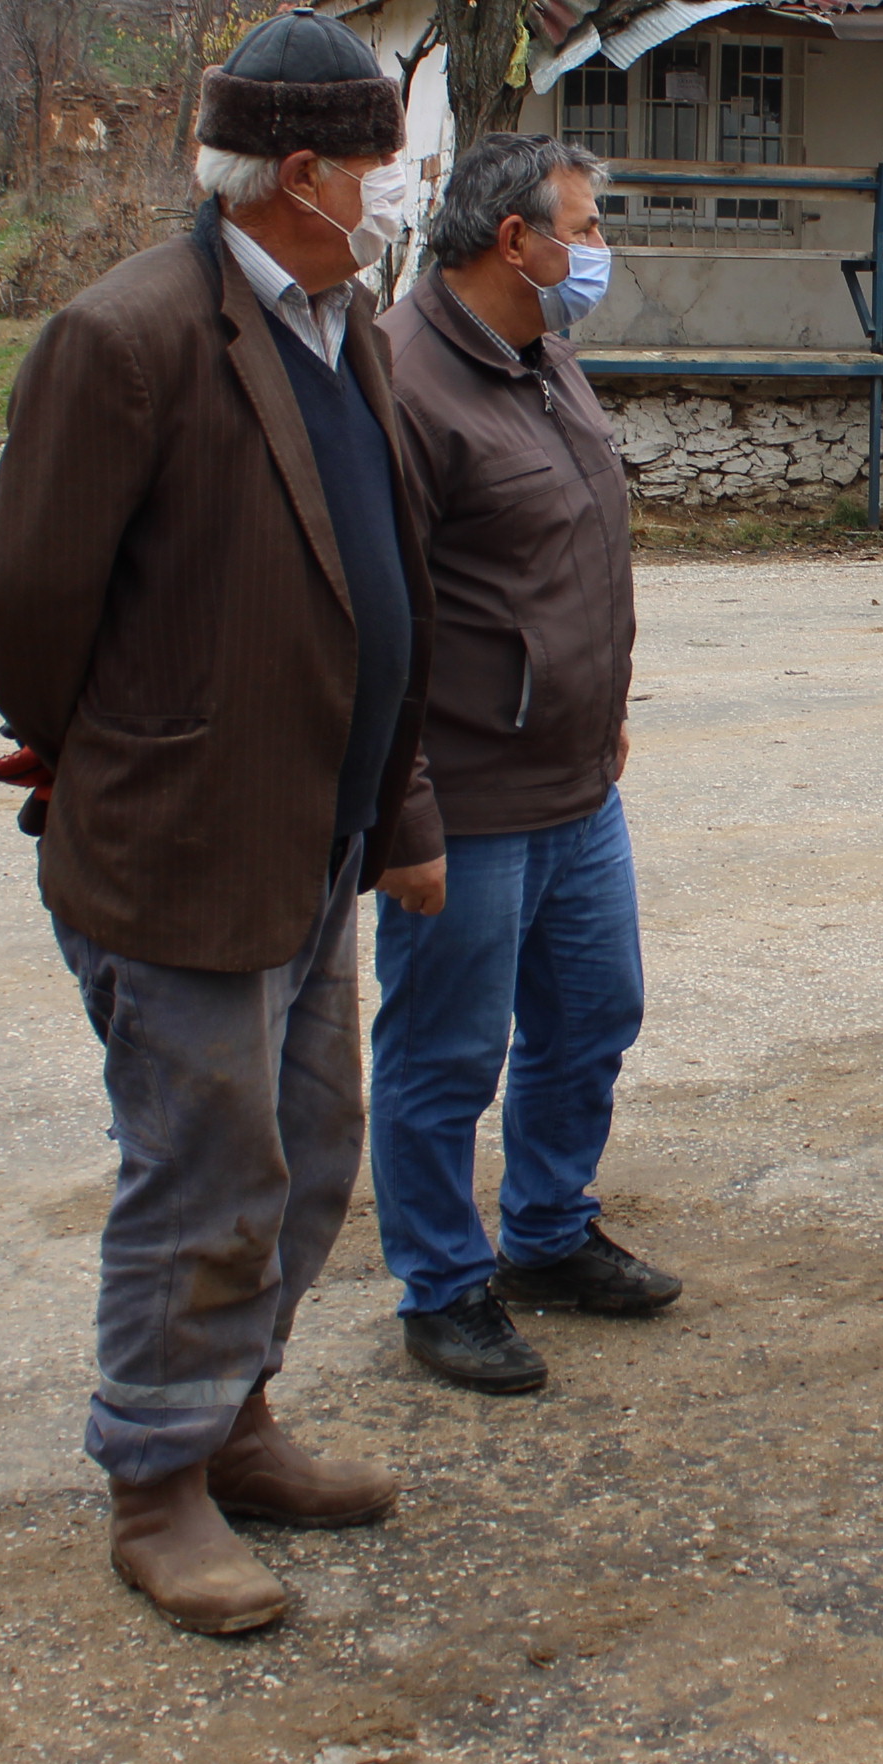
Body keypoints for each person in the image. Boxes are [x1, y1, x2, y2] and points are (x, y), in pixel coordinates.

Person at [0, 8, 431, 1634]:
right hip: (182, 844)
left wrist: (395, 804)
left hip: (312, 845)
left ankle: (235, 1418)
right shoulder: (128, 338)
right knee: (203, 1164)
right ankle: (153, 1479)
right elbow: (22, 600)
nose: (393, 191)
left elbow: (377, 581)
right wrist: (112, 749)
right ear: (299, 173)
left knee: (306, 1158)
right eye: (378, 164)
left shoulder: (335, 322)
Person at [367, 132, 670, 1397]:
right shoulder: (400, 383)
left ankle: (547, 1233)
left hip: (575, 780)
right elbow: (376, 624)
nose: (597, 250)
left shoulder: (546, 354)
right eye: (585, 228)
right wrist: (407, 815)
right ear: (515, 243)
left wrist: (601, 709)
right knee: (445, 1053)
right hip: (469, 796)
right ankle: (442, 1285)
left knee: (595, 1013)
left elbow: (575, 543)